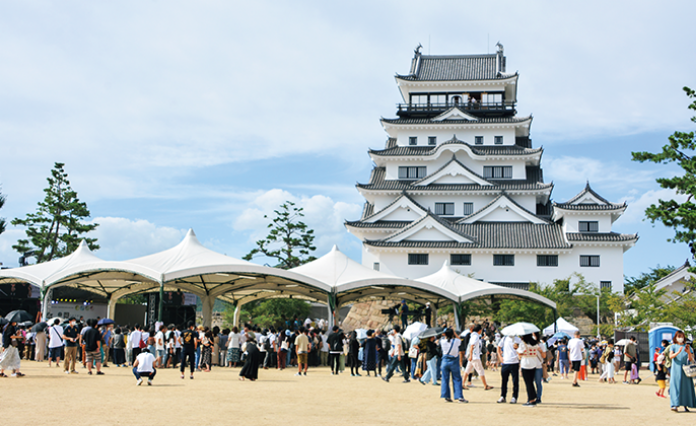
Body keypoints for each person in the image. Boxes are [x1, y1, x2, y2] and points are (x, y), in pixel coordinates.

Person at [668, 330, 696, 412]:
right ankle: (675, 405)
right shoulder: (673, 346)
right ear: (676, 338)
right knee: (675, 386)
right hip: (676, 369)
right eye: (679, 337)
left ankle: (685, 404)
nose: (680, 338)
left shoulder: (688, 347)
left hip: (685, 369)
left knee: (686, 386)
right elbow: (671, 356)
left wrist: (688, 352)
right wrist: (678, 352)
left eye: (682, 336)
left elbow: (691, 359)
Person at [462, 324, 493, 391]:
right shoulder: (475, 336)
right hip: (475, 357)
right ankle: (485, 385)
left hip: (473, 356)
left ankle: (462, 383)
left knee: (467, 370)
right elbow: (472, 346)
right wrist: (471, 355)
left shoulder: (474, 336)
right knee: (481, 371)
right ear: (479, 330)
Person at [439, 328, 467, 403]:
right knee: (457, 379)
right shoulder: (456, 341)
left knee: (445, 379)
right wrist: (454, 333)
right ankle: (459, 397)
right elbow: (460, 340)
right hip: (454, 361)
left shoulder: (442, 341)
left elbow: (444, 339)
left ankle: (446, 396)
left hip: (444, 361)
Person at [517, 333, 540, 407]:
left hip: (526, 364)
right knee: (531, 382)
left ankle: (531, 399)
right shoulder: (535, 343)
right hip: (533, 363)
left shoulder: (523, 344)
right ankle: (533, 397)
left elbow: (520, 352)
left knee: (528, 383)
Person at [497, 333, 521, 404]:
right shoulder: (504, 338)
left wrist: (518, 349)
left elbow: (522, 349)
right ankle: (503, 396)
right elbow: (498, 347)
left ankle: (514, 397)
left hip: (514, 362)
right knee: (504, 381)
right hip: (506, 362)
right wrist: (500, 357)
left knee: (515, 381)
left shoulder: (518, 339)